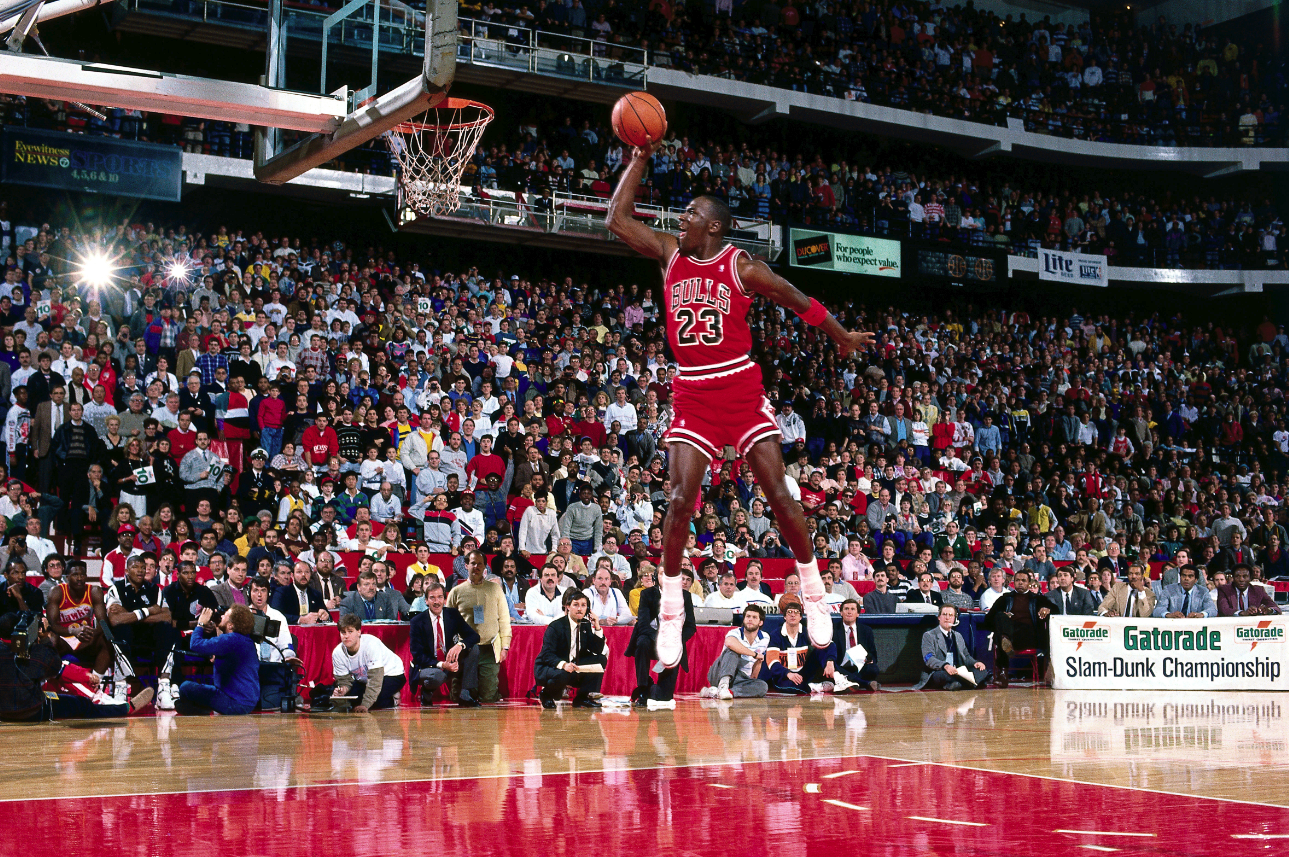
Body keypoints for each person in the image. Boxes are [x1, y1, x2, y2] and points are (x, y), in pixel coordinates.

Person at [608, 155, 874, 667]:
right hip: (692, 390)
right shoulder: (668, 255)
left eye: (688, 215)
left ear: (712, 226)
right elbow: (617, 220)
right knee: (682, 498)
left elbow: (796, 298)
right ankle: (668, 603)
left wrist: (839, 335)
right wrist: (638, 157)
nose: (677, 221)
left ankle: (814, 588)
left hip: (739, 386)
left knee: (778, 492)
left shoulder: (742, 266)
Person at [0, 612, 152, 721]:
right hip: (32, 711)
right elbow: (56, 666)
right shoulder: (36, 652)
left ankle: (102, 697)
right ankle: (124, 708)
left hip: (2, 713)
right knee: (80, 703)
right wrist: (45, 637)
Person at [106, 556, 181, 710]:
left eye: (143, 567)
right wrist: (148, 611)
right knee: (120, 629)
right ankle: (120, 688)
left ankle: (163, 690)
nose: (140, 570)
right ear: (126, 571)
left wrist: (130, 615)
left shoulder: (155, 590)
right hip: (127, 639)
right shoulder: (116, 588)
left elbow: (166, 617)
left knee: (169, 629)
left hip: (150, 639)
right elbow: (115, 620)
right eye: (135, 567)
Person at [445, 550, 511, 703]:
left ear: (484, 567)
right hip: (466, 650)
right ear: (466, 565)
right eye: (473, 563)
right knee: (458, 698)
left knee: (488, 697)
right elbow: (448, 624)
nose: (476, 567)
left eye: (480, 564)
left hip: (490, 647)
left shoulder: (495, 589)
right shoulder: (456, 592)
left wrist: (505, 646)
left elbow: (504, 618)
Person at [626, 569, 696, 710]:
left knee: (664, 696)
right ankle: (643, 688)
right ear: (655, 577)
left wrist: (676, 640)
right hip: (651, 639)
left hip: (673, 644)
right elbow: (643, 625)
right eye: (662, 574)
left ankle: (651, 687)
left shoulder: (685, 596)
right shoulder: (647, 594)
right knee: (642, 642)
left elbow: (690, 626)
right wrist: (662, 639)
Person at [175, 605, 260, 715]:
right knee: (187, 698)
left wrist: (200, 624)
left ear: (230, 625)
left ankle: (203, 712)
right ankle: (203, 710)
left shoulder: (231, 639)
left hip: (235, 703)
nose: (222, 616)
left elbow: (195, 644)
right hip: (247, 702)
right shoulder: (245, 640)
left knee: (185, 688)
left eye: (226, 615)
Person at [409, 581, 481, 706]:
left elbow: (474, 636)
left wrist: (460, 645)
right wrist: (442, 664)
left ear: (445, 599)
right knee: (437, 675)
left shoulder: (452, 614)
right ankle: (426, 692)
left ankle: (464, 694)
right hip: (427, 667)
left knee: (473, 648)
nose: (436, 602)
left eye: (440, 597)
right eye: (432, 598)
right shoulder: (417, 621)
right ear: (426, 601)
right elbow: (418, 655)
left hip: (449, 662)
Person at [533, 588, 607, 709]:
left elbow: (597, 650)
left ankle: (582, 697)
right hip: (551, 666)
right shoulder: (556, 626)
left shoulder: (586, 624)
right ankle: (546, 694)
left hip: (573, 664)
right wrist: (563, 664)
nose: (579, 609)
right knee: (563, 674)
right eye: (576, 605)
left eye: (583, 605)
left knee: (601, 659)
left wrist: (597, 626)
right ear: (567, 606)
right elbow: (547, 654)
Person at [44, 561, 114, 685]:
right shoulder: (56, 592)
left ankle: (95, 683)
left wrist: (92, 633)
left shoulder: (94, 591)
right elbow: (52, 625)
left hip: (85, 638)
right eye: (75, 575)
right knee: (51, 639)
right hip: (64, 638)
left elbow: (103, 622)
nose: (80, 578)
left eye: (82, 575)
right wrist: (73, 631)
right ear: (67, 577)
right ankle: (48, 682)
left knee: (107, 640)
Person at [329, 613, 406, 711]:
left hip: (392, 674)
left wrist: (365, 705)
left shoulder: (371, 645)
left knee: (374, 702)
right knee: (353, 699)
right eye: (343, 632)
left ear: (359, 632)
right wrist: (344, 689)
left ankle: (393, 698)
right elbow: (344, 680)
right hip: (364, 679)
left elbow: (375, 679)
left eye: (350, 631)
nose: (346, 636)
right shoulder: (337, 653)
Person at [700, 604, 770, 700]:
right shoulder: (735, 632)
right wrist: (754, 654)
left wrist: (752, 681)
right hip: (720, 672)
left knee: (763, 686)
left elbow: (758, 660)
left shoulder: (765, 638)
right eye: (748, 616)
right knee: (732, 651)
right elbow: (730, 643)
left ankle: (723, 692)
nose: (750, 619)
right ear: (744, 619)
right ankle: (723, 686)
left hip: (741, 678)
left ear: (760, 622)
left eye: (754, 617)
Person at [913, 604, 988, 691]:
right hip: (939, 671)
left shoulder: (958, 636)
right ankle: (971, 684)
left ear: (954, 619)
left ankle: (957, 684)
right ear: (939, 617)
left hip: (958, 671)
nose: (947, 618)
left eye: (951, 615)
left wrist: (975, 663)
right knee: (945, 676)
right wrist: (946, 666)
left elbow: (966, 656)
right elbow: (929, 659)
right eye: (944, 614)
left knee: (982, 671)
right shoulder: (929, 635)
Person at [764, 602, 832, 694]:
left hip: (803, 672)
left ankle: (838, 677)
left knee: (822, 648)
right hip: (785, 675)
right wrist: (787, 673)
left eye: (796, 612)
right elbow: (772, 661)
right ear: (784, 617)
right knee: (791, 688)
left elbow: (829, 644)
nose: (793, 615)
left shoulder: (807, 632)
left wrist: (830, 661)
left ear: (800, 617)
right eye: (789, 612)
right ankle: (814, 687)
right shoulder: (776, 634)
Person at [827, 599, 880, 691]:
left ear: (858, 613)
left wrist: (869, 659)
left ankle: (850, 681)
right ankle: (865, 683)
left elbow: (873, 655)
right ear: (841, 613)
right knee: (833, 668)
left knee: (873, 669)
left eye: (852, 609)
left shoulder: (866, 630)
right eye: (846, 609)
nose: (849, 612)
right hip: (840, 666)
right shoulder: (833, 629)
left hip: (859, 667)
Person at [270, 561, 330, 625]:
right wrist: (300, 619)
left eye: (307, 572)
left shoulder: (316, 594)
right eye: (299, 572)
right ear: (292, 575)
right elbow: (275, 616)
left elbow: (329, 617)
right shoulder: (282, 592)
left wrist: (326, 616)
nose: (303, 575)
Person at [339, 570, 409, 621]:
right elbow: (346, 626)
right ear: (358, 587)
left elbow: (391, 623)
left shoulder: (385, 598)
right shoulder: (347, 602)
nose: (371, 588)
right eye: (366, 584)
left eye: (374, 584)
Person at [1217, 564, 1282, 617]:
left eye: (1245, 576)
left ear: (1250, 578)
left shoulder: (1258, 590)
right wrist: (1242, 613)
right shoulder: (1224, 590)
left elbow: (1276, 608)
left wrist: (1269, 610)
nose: (1241, 580)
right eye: (1237, 576)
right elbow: (1223, 610)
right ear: (1233, 578)